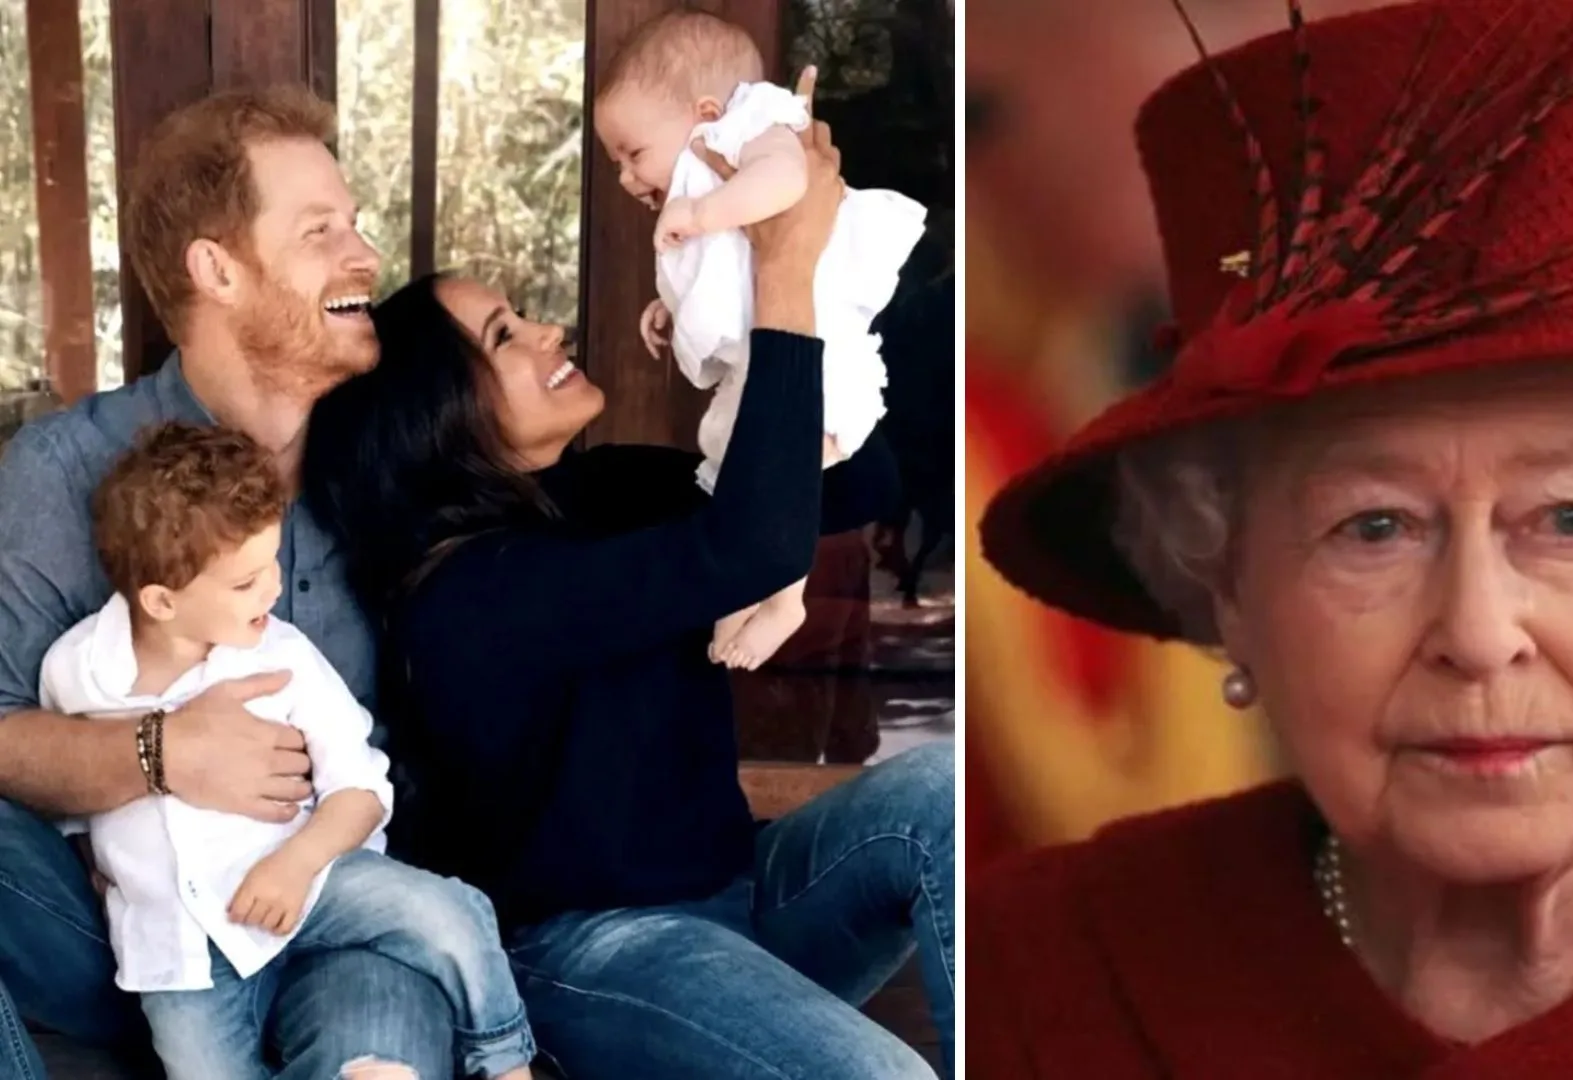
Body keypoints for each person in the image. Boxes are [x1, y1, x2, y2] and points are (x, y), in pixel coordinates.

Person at [969, 0, 1573, 1076]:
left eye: (1570, 520)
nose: (1476, 634)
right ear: (1228, 590)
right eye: (1374, 527)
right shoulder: (1037, 969)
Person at [302, 101, 954, 1080]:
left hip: (744, 898)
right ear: (436, 417)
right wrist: (779, 267)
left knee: (949, 795)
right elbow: (748, 551)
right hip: (599, 954)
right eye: (505, 334)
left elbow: (859, 484)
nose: (548, 330)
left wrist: (754, 329)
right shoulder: (467, 596)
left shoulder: (596, 490)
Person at [0, 86, 460, 1080]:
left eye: (357, 224)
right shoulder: (62, 470)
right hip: (133, 942)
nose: (366, 257)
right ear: (218, 269)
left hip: (341, 916)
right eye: (320, 231)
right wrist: (160, 753)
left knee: (381, 1057)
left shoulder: (381, 463)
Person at [39, 423, 536, 1080]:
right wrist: (96, 864)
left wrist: (296, 866)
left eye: (272, 562)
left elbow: (361, 788)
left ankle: (504, 1061)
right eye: (246, 582)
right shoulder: (76, 671)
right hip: (181, 949)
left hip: (312, 880)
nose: (273, 590)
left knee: (449, 913)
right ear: (161, 600)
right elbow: (69, 794)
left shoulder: (282, 655)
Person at [593, 12, 926, 670]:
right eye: (616, 165)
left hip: (820, 346)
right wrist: (670, 305)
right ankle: (751, 587)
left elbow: (787, 183)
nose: (629, 178)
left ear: (707, 112)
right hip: (769, 349)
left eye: (634, 154)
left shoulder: (754, 128)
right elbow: (731, 272)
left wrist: (702, 212)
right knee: (737, 461)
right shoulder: (707, 177)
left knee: (783, 466)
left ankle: (784, 598)